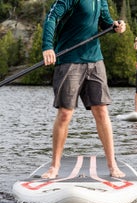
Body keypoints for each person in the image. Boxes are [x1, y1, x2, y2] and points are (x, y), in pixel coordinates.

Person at [40, 0, 126, 179]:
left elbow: (105, 21)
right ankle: (54, 166)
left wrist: (115, 26)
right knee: (65, 113)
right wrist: (48, 46)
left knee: (102, 111)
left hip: (95, 60)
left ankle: (112, 166)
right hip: (69, 60)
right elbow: (51, 18)